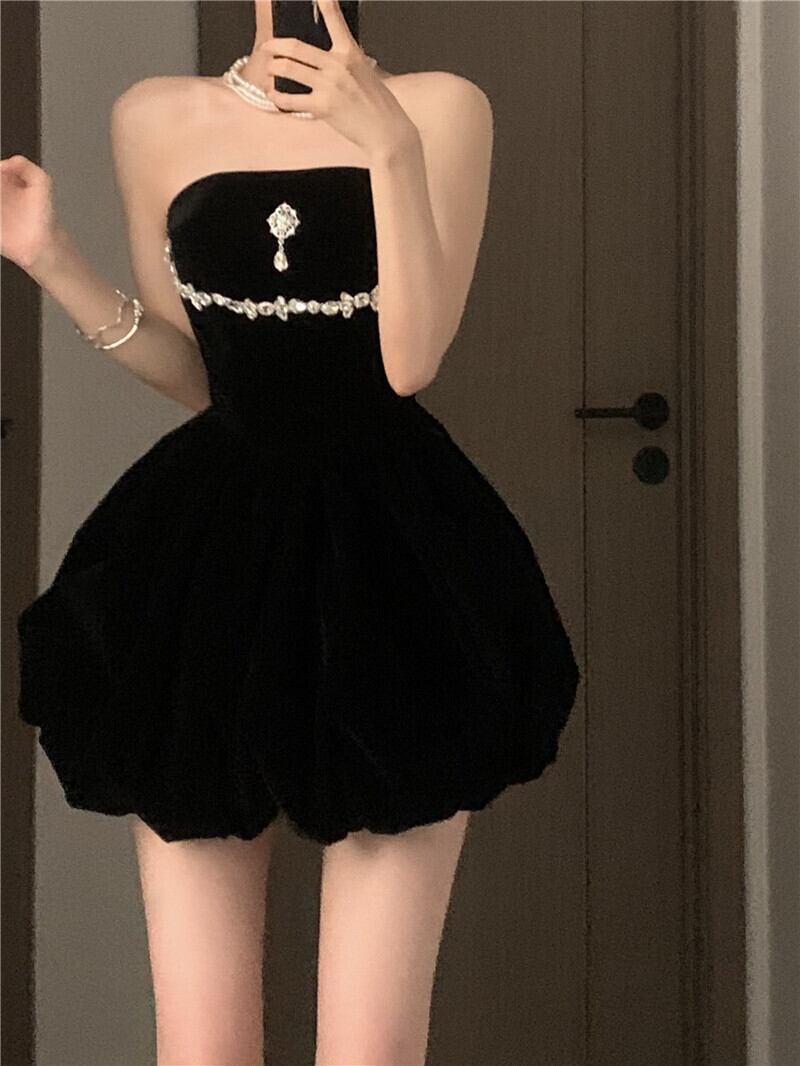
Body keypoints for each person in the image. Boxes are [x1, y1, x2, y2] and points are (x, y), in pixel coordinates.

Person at [2, 1, 580, 1062]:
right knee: (200, 1045)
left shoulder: (440, 110)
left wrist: (387, 145)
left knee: (371, 1049)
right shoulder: (152, 117)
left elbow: (409, 363)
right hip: (207, 561)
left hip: (394, 560)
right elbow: (203, 377)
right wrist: (50, 257)